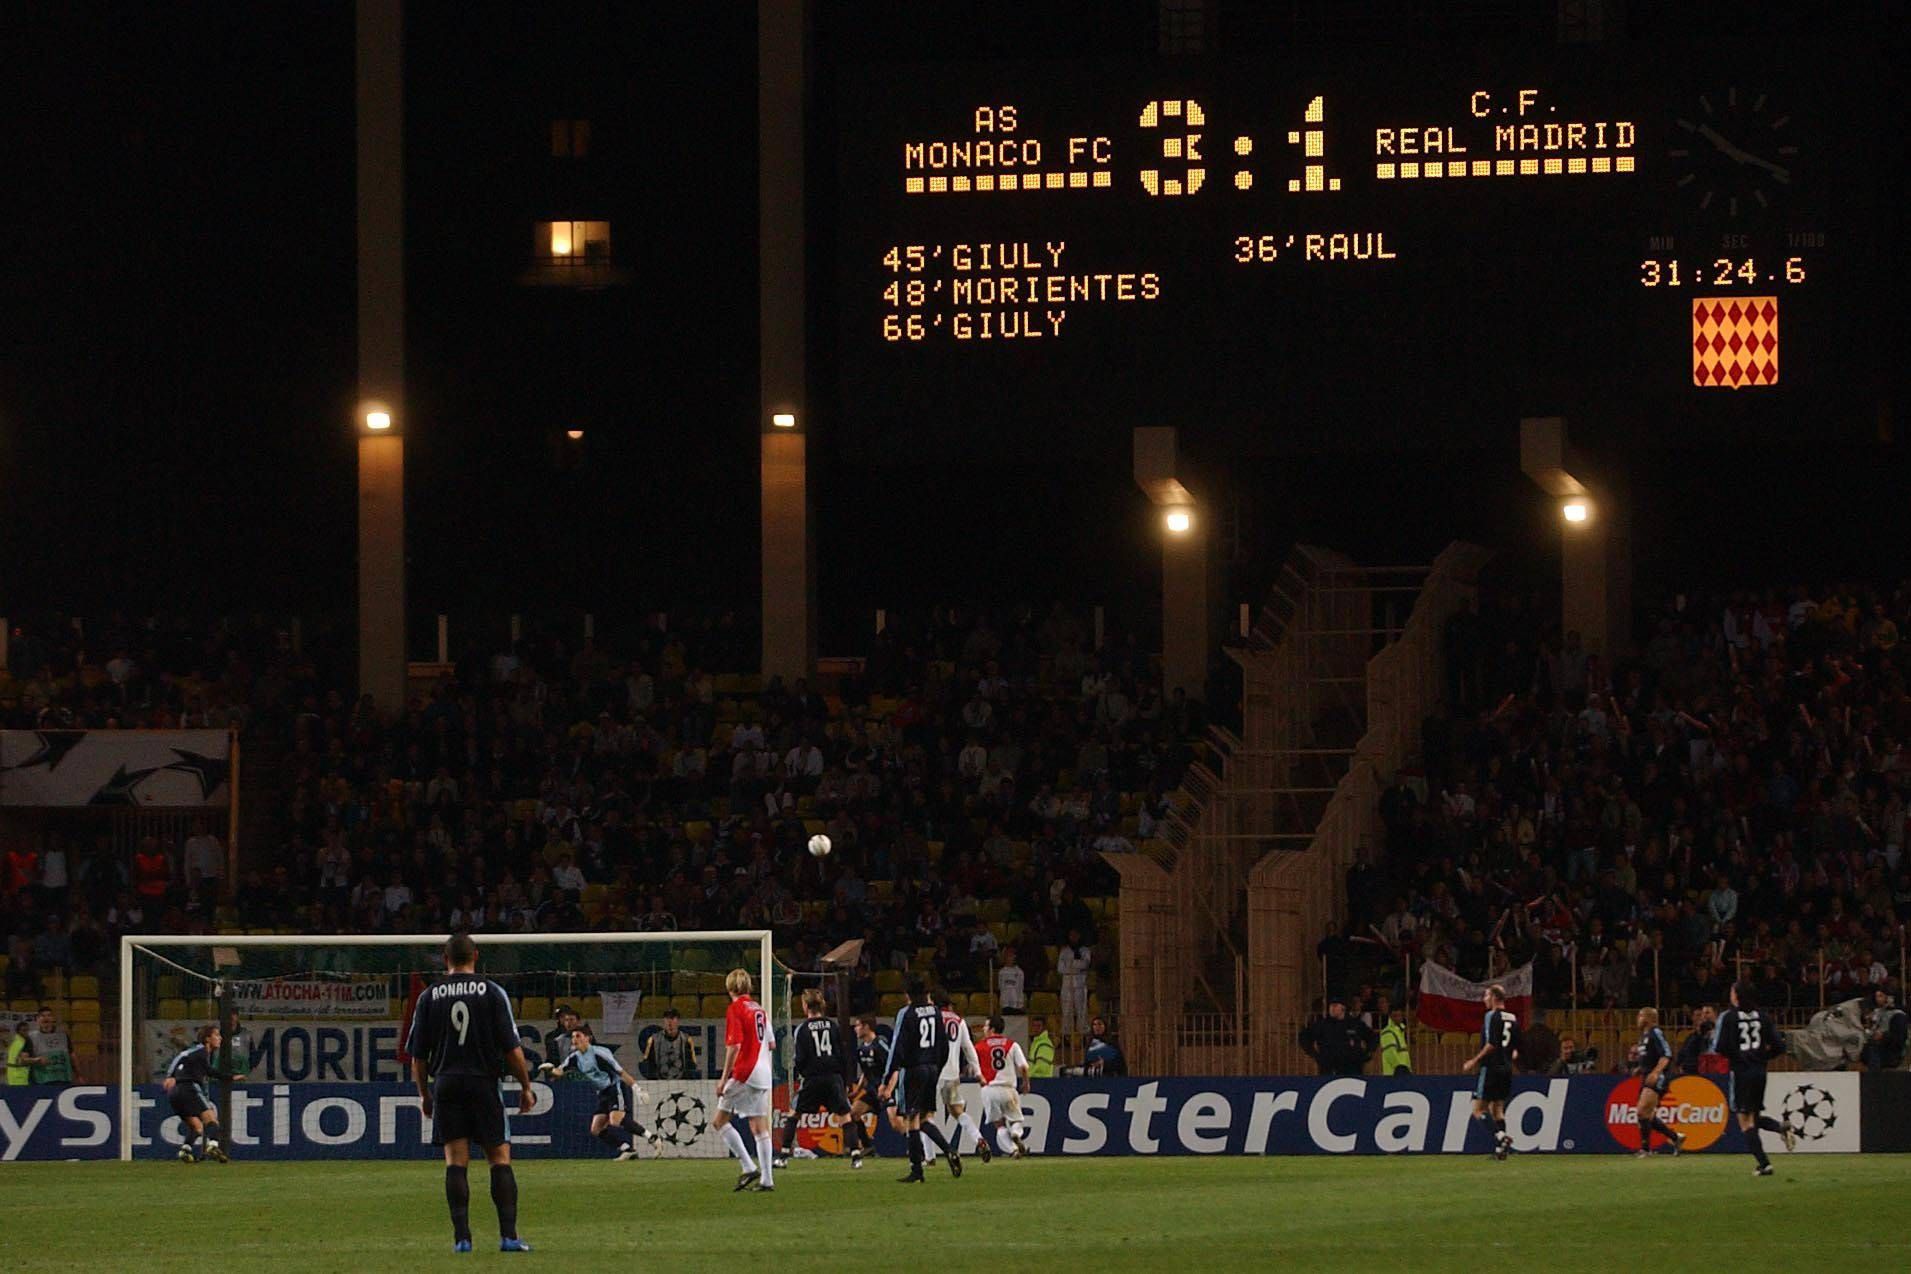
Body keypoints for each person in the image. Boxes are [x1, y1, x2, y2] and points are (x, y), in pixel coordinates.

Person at [406, 933, 536, 1253]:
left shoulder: (429, 996)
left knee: (455, 1162)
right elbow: (512, 1049)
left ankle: (462, 1240)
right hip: (483, 1081)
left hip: (447, 1082)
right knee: (499, 1159)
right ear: (475, 956)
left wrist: (424, 1094)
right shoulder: (492, 992)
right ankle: (508, 1237)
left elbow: (418, 1057)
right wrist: (526, 1086)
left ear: (444, 958)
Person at [539, 1026, 661, 1161]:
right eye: (573, 1037)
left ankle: (653, 1138)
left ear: (588, 1038)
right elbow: (559, 1072)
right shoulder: (574, 1057)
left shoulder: (600, 1053)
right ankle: (627, 1149)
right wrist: (550, 1069)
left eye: (578, 1036)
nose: (574, 1040)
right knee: (596, 1129)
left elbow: (620, 1072)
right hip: (602, 1093)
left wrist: (637, 1089)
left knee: (615, 1120)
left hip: (614, 1088)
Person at [880, 978, 957, 1183]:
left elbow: (897, 1047)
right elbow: (944, 1045)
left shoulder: (906, 1013)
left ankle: (917, 1170)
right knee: (923, 1118)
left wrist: (887, 1079)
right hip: (932, 1068)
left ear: (908, 994)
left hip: (914, 1070)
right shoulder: (935, 1012)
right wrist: (937, 1068)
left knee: (911, 1119)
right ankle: (949, 1150)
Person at [1714, 981, 1795, 1177]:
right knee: (1754, 1116)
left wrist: (1739, 1058)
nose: (1731, 996)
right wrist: (1761, 1058)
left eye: (1733, 992)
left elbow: (1720, 1046)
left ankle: (1764, 1164)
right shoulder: (1764, 1017)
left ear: (1737, 996)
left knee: (1744, 1121)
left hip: (1741, 1072)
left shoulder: (1729, 1017)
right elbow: (1779, 1046)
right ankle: (1779, 1128)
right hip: (1760, 1072)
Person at [775, 989, 861, 1170]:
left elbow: (799, 1058)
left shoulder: (803, 1029)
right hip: (833, 1077)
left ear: (805, 1006)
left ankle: (783, 1156)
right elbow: (843, 1054)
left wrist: (801, 1073)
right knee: (845, 1116)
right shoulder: (833, 1026)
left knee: (794, 1114)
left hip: (813, 1078)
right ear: (822, 1005)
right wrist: (846, 1080)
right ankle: (855, 1156)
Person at [710, 967, 776, 1193]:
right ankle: (767, 1180)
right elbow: (771, 1044)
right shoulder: (760, 1009)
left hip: (745, 1072)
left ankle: (748, 1167)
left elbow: (734, 1046)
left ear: (730, 988)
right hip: (764, 1073)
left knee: (719, 1121)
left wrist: (723, 1078)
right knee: (759, 1126)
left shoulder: (735, 1009)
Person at [1460, 984, 1520, 1161]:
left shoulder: (1491, 1016)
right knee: (1498, 1109)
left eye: (1486, 996)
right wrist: (1507, 1059)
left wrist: (1474, 1061)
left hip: (1491, 1067)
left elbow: (1491, 1044)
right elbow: (1516, 1049)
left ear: (1494, 997)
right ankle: (1501, 1150)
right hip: (1506, 1068)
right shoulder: (1513, 1017)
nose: (1484, 1000)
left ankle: (1502, 1138)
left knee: (1478, 1110)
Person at [163, 1024, 230, 1164]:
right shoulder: (200, 1051)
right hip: (188, 1088)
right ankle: (213, 1146)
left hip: (175, 1093)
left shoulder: (202, 1055)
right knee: (212, 1120)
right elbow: (182, 1055)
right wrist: (170, 1075)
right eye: (216, 1035)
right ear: (207, 1039)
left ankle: (185, 1150)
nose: (220, 1038)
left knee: (197, 1127)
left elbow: (206, 1070)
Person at [935, 993, 988, 1161]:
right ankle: (978, 1138)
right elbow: (968, 1048)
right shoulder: (959, 1021)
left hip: (932, 1073)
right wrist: (978, 1073)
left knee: (925, 1115)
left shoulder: (932, 1018)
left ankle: (929, 1157)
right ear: (948, 1005)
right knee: (957, 1111)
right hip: (952, 1074)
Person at [1630, 1008, 1685, 1157]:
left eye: (1640, 1016)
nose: (1638, 1019)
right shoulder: (1643, 1037)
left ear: (1647, 1018)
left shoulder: (1656, 1032)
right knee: (1645, 1115)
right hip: (1646, 1076)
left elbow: (1666, 1055)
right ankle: (1675, 1138)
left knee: (1642, 1111)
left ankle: (1646, 1150)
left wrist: (1656, 1072)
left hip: (1657, 1077)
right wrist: (1639, 1069)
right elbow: (1649, 1058)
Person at [975, 1015, 1030, 1157]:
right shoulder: (1012, 1045)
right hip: (1008, 1088)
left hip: (989, 1090)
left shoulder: (980, 1046)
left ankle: (1013, 1150)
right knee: (1016, 1119)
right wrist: (1026, 1082)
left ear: (992, 1029)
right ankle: (1016, 1133)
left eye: (986, 1026)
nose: (983, 1028)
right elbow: (1024, 1067)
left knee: (999, 1124)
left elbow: (973, 1066)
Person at [847, 1015, 888, 1169]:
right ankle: (867, 1145)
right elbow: (865, 1072)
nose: (855, 1029)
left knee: (899, 1123)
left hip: (886, 1090)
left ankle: (919, 1150)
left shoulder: (880, 1044)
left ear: (866, 1027)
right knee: (853, 1114)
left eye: (857, 1025)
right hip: (872, 1091)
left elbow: (892, 1065)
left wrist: (887, 1087)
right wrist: (857, 1090)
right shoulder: (861, 1049)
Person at [1298, 998, 1375, 1077]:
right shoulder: (1322, 1025)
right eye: (1330, 1006)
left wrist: (1367, 1053)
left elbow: (1372, 1037)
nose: (1332, 1009)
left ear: (1343, 1008)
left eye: (1335, 1006)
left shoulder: (1355, 1024)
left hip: (1352, 1068)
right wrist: (1314, 1054)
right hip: (1329, 1069)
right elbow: (1304, 1037)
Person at [639, 1008, 700, 1080]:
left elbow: (693, 1064)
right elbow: (645, 1064)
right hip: (659, 1083)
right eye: (667, 1018)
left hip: (681, 1083)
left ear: (678, 1020)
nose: (669, 1021)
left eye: (672, 1018)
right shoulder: (653, 1040)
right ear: (663, 1020)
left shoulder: (686, 1039)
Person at [1056, 933, 1092, 1053]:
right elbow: (1060, 968)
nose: (1074, 938)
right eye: (1072, 936)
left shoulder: (1085, 950)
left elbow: (1085, 964)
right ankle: (1065, 1037)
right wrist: (1076, 966)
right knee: (1066, 1011)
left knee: (1081, 1011)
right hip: (1067, 985)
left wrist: (1071, 965)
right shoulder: (1065, 951)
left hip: (1080, 985)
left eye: (1076, 936)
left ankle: (1084, 1038)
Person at [25, 1006, 72, 1085]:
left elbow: (72, 1055)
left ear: (53, 1019)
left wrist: (79, 1074)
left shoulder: (63, 1035)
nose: (46, 1018)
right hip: (42, 1080)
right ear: (38, 1019)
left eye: (49, 1015)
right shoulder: (31, 1037)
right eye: (43, 1016)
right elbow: (22, 1060)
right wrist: (37, 1060)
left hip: (63, 1079)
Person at [1863, 990, 1907, 1071]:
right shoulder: (1877, 1012)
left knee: (1872, 1050)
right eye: (1876, 996)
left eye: (1880, 996)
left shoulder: (1898, 1015)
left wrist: (1884, 1036)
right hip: (1874, 1045)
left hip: (1890, 1050)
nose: (1877, 999)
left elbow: (1899, 1038)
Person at [1676, 1006, 1718, 1075]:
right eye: (1698, 1015)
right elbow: (1681, 1054)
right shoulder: (1691, 1036)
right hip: (1687, 1072)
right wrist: (1679, 1065)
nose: (1701, 1017)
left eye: (1705, 1014)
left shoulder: (1713, 1035)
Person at [1378, 1004, 1413, 1076]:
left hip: (1402, 1072)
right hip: (1394, 1074)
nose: (1397, 1018)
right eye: (1395, 1016)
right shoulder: (1387, 1032)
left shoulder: (1400, 1031)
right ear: (1390, 1016)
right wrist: (1399, 1068)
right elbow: (1390, 1052)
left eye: (1399, 1015)